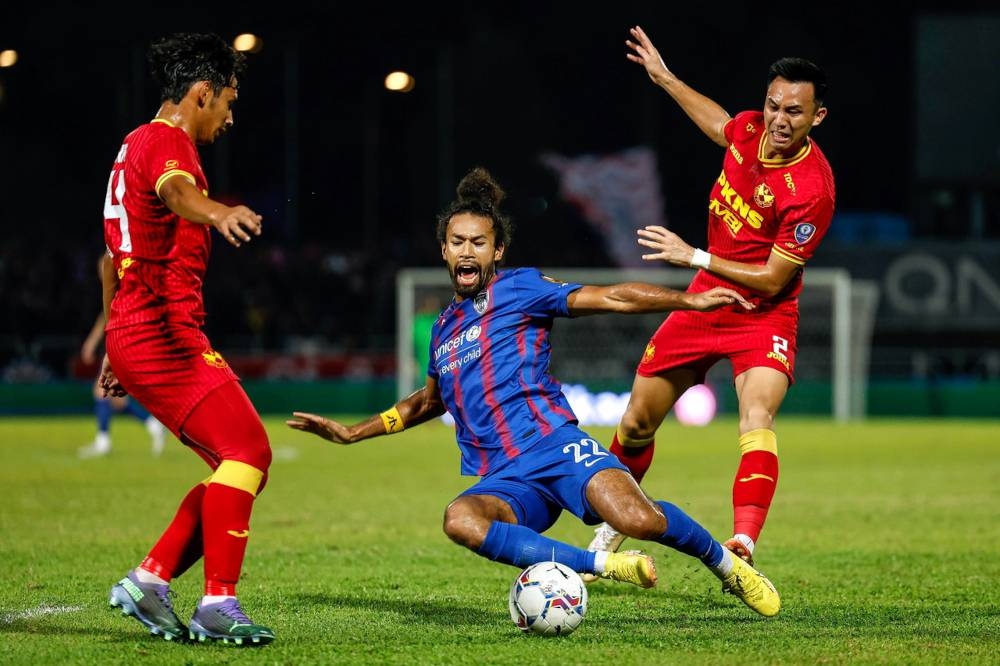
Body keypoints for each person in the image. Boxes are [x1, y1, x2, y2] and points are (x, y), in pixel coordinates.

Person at [287, 167, 782, 618]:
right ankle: (605, 566)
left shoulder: (521, 289)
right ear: (443, 249)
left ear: (497, 250)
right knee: (459, 519)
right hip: (506, 478)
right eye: (457, 241)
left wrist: (687, 299)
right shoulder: (442, 329)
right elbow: (426, 402)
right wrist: (354, 433)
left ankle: (727, 566)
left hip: (554, 446)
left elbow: (610, 296)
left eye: (478, 243)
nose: (467, 251)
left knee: (639, 518)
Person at [583, 25, 836, 569]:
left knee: (756, 418)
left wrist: (693, 255)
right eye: (773, 106)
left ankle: (742, 543)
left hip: (763, 313)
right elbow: (720, 123)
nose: (779, 120)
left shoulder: (812, 191)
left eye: (794, 111)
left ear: (817, 117)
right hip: (703, 301)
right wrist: (664, 77)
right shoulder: (749, 131)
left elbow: (770, 279)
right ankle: (614, 522)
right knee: (634, 423)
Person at [100, 32, 274, 646]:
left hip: (140, 330)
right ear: (201, 94)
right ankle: (216, 604)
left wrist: (112, 346)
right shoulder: (167, 143)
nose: (229, 116)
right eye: (227, 101)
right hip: (161, 332)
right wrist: (217, 211)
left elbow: (107, 260)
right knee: (249, 452)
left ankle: (150, 579)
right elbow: (179, 194)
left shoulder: (134, 145)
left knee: (239, 463)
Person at [78, 260, 166, 458]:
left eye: (104, 267)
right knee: (116, 400)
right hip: (125, 344)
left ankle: (103, 441)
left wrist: (92, 343)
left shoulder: (122, 287)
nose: (102, 273)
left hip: (126, 344)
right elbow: (105, 317)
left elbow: (107, 318)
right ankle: (152, 424)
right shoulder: (120, 287)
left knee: (101, 390)